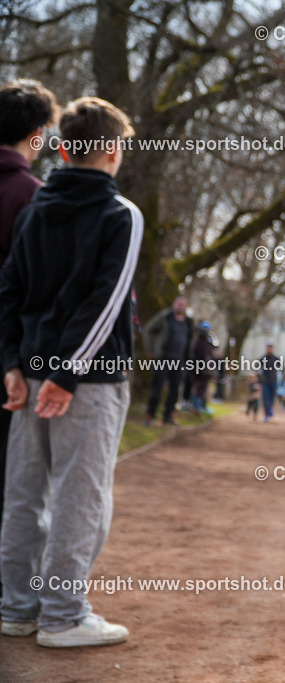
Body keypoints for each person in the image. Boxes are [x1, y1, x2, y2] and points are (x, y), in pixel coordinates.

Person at [0, 96, 138, 647]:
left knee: (25, 494)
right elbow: (106, 304)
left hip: (32, 374)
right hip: (86, 382)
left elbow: (9, 291)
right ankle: (62, 616)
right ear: (111, 153)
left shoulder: (35, 209)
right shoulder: (120, 214)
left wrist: (13, 364)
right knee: (81, 496)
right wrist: (67, 374)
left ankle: (16, 609)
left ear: (61, 149)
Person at [0, 78, 58, 603]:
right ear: (37, 136)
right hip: (12, 357)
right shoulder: (34, 199)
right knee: (17, 483)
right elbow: (31, 290)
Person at [143, 296, 193, 426]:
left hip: (180, 361)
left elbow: (190, 341)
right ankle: (150, 416)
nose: (181, 306)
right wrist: (151, 350)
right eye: (178, 303)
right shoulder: (165, 317)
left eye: (183, 304)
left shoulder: (188, 322)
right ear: (173, 304)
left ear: (186, 306)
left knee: (175, 390)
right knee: (157, 388)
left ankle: (168, 417)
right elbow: (148, 330)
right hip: (163, 358)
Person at [188, 321, 216, 415]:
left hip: (202, 370)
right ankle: (195, 408)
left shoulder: (207, 342)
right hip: (200, 370)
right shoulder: (199, 342)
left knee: (200, 389)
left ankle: (197, 408)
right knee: (199, 389)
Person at [257, 342, 281, 421]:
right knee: (265, 398)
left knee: (272, 398)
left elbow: (282, 369)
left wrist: (282, 379)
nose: (270, 349)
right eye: (268, 347)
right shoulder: (263, 358)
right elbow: (257, 369)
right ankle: (267, 414)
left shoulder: (276, 359)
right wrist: (260, 378)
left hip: (274, 381)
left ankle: (270, 410)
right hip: (265, 381)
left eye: (271, 347)